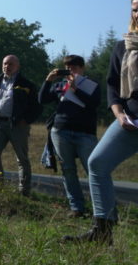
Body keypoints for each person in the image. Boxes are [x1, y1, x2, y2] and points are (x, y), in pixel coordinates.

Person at [65, 0, 138, 245]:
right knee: (97, 163)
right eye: (134, 10)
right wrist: (118, 114)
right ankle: (102, 232)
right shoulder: (123, 47)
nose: (137, 14)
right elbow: (112, 86)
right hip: (129, 120)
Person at [39, 55, 100, 217]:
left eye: (74, 67)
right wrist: (48, 81)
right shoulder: (60, 85)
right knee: (68, 170)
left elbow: (94, 103)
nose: (70, 71)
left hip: (85, 133)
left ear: (82, 68)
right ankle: (77, 207)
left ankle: (101, 208)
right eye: (67, 68)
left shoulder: (91, 85)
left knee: (93, 169)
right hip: (61, 131)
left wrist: (75, 89)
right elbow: (42, 99)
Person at [0, 54, 41, 195]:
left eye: (10, 64)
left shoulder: (26, 84)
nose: (7, 66)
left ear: (17, 66)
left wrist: (26, 120)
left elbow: (37, 106)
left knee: (21, 158)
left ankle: (24, 190)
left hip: (18, 126)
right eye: (5, 64)